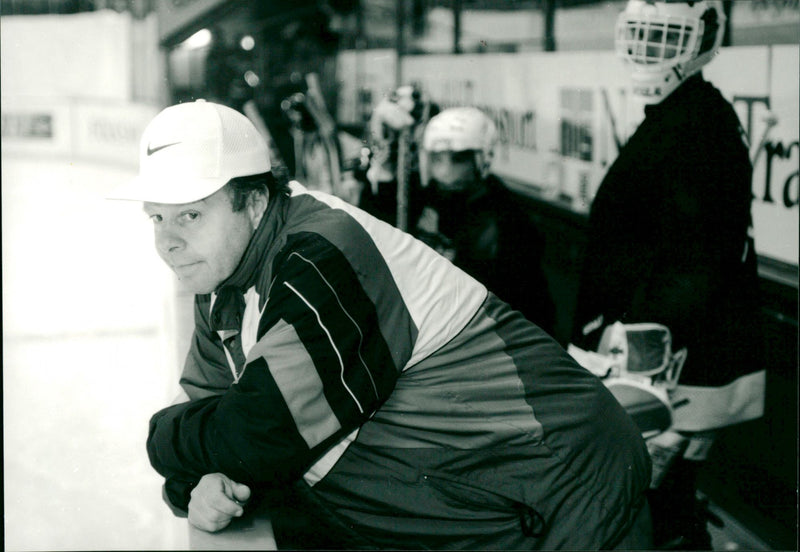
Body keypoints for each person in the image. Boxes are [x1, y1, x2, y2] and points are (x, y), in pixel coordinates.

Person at [110, 99, 652, 550]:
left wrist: (160, 441)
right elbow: (211, 423)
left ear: (253, 202)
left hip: (564, 502)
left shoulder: (322, 255)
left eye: (190, 215)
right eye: (156, 217)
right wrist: (197, 483)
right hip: (475, 512)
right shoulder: (221, 282)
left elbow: (258, 435)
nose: (168, 241)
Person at [570, 1, 765, 548]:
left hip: (668, 373)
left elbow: (696, 267)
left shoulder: (697, 128)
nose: (648, 53)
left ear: (700, 41)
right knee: (655, 507)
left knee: (657, 510)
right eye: (642, 36)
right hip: (659, 363)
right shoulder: (684, 117)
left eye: (664, 38)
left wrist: (648, 371)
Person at [415, 106, 556, 335]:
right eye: (437, 159)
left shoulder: (507, 220)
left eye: (458, 159)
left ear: (482, 159)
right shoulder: (424, 198)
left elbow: (526, 305)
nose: (445, 171)